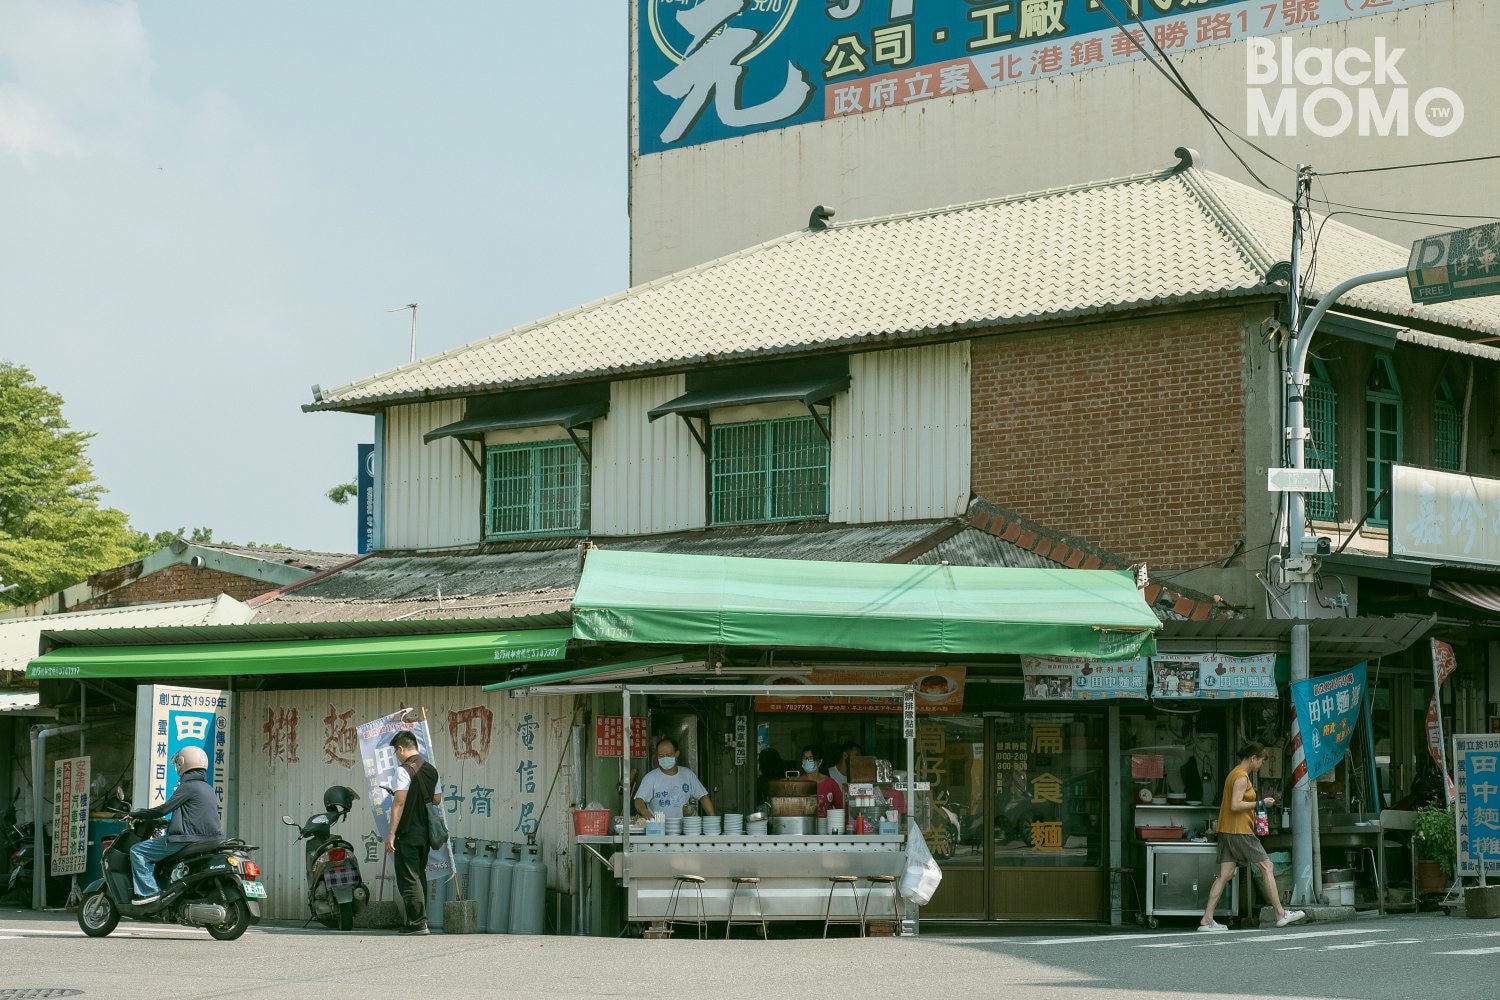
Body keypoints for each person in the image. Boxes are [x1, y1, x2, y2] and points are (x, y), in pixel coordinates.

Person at [1199, 742, 1305, 931]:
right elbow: (1235, 805)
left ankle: (1207, 919)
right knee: (1267, 866)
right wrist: (1261, 803)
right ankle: (1280, 914)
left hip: (1226, 831)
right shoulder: (1241, 777)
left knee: (1225, 875)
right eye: (1261, 761)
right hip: (1240, 831)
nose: (1261, 765)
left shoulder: (1233, 773)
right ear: (1253, 758)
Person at [126, 744, 223, 903]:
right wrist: (166, 823)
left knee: (137, 851)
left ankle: (149, 894)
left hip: (186, 840)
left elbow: (164, 809)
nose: (177, 766)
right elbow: (193, 817)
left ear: (183, 762)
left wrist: (137, 814)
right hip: (209, 839)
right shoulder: (208, 788)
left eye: (178, 762)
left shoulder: (188, 786)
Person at [385, 730, 440, 935]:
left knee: (409, 878)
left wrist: (391, 834)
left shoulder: (404, 770)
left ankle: (417, 923)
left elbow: (399, 802)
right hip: (425, 833)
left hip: (407, 832)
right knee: (418, 875)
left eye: (395, 751)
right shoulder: (431, 770)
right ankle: (419, 920)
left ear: (401, 749)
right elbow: (437, 799)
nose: (396, 755)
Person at [633, 737, 716, 819]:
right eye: (661, 756)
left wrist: (713, 820)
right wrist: (644, 812)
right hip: (659, 826)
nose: (665, 758)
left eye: (668, 755)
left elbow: (703, 797)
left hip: (684, 826)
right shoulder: (650, 777)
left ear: (677, 754)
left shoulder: (687, 774)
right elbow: (639, 800)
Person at [798, 745, 843, 818]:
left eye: (811, 758)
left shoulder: (830, 783)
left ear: (820, 761)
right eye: (805, 758)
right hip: (805, 823)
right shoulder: (798, 783)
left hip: (826, 824)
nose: (807, 761)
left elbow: (841, 808)